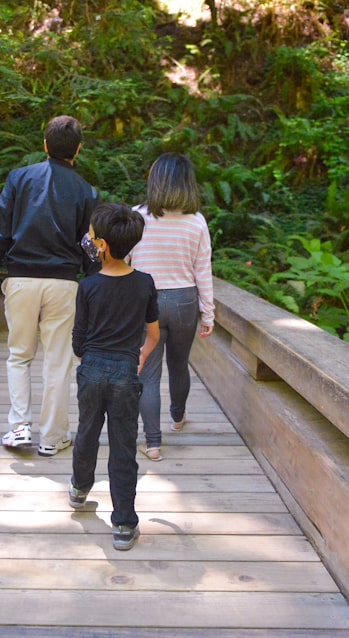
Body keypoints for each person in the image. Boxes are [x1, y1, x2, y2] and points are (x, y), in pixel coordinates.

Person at [0, 115, 99, 457]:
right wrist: (94, 280)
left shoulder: (19, 179)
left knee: (19, 355)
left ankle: (19, 428)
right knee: (58, 361)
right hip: (63, 284)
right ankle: (53, 437)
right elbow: (89, 244)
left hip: (20, 279)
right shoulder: (86, 191)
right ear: (78, 149)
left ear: (45, 145)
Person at [68, 202, 159, 551]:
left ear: (101, 245)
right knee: (123, 447)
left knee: (87, 431)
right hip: (125, 373)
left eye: (92, 236)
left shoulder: (88, 286)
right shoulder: (145, 284)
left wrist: (88, 355)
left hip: (91, 370)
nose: (88, 241)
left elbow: (78, 340)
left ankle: (79, 488)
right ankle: (123, 523)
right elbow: (153, 334)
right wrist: (140, 357)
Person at [128, 153, 215, 462]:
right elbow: (202, 270)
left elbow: (123, 262)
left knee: (148, 374)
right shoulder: (197, 221)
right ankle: (177, 418)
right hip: (184, 301)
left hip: (145, 301)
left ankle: (152, 443)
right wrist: (209, 312)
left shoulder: (136, 216)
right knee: (179, 364)